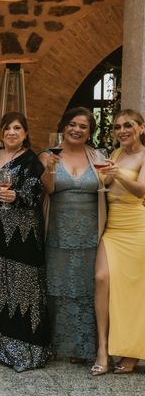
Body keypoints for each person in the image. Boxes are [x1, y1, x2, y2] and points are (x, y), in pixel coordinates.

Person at [0, 111, 50, 372]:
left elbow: (35, 191)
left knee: (25, 287)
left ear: (25, 134)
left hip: (23, 232)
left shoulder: (31, 159)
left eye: (17, 128)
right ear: (1, 132)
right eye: (7, 128)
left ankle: (28, 348)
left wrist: (17, 197)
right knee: (0, 283)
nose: (12, 132)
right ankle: (2, 345)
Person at [39, 107, 105, 364]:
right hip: (57, 231)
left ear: (90, 133)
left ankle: (85, 348)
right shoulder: (48, 154)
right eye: (72, 124)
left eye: (83, 127)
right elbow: (48, 189)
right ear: (64, 126)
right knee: (57, 286)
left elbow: (108, 189)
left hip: (91, 233)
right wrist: (51, 169)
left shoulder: (98, 156)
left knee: (87, 287)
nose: (77, 130)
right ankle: (57, 345)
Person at [92, 109, 145, 375]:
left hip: (138, 229)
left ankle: (131, 352)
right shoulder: (115, 154)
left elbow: (140, 191)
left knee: (133, 292)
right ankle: (103, 348)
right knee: (102, 278)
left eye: (128, 125)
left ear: (141, 128)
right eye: (117, 127)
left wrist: (118, 173)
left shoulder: (144, 156)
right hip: (112, 228)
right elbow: (104, 183)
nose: (122, 130)